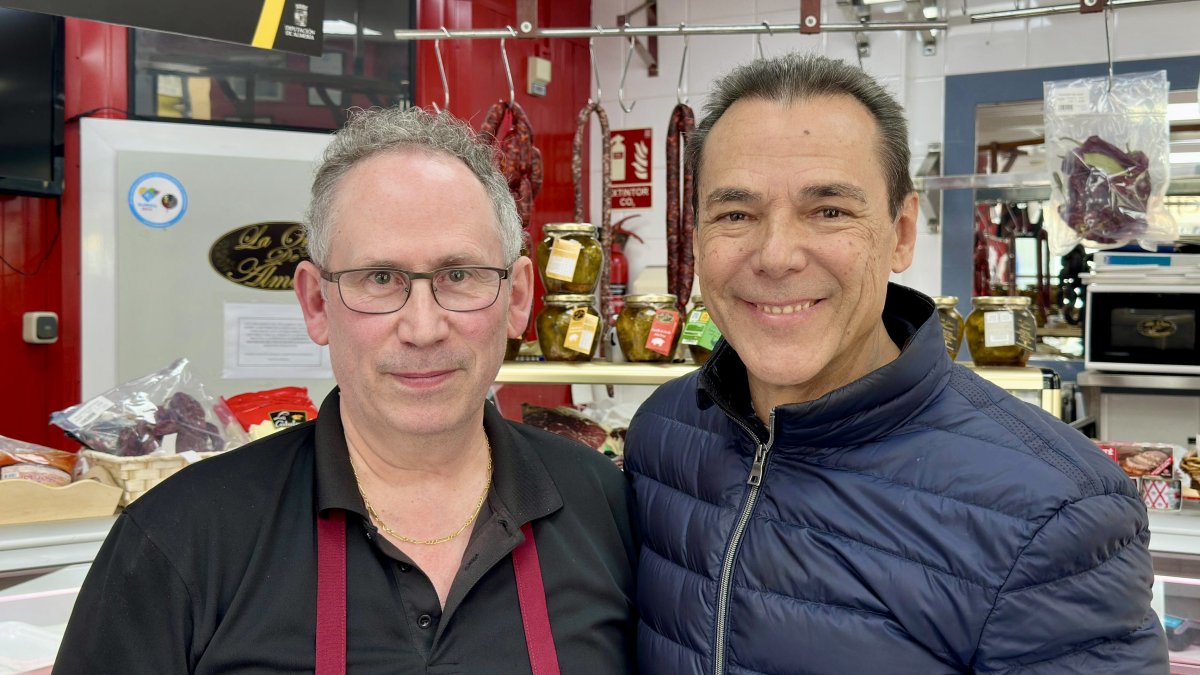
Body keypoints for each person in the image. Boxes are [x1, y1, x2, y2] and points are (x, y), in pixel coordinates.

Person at [625, 53, 1167, 674]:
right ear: (697, 236)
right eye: (735, 214)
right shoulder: (663, 434)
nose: (775, 257)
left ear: (902, 232)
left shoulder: (1053, 511)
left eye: (829, 210)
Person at [55, 108, 638, 673]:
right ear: (315, 304)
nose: (423, 327)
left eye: (459, 276)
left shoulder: (607, 509)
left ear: (516, 299)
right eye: (379, 279)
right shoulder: (178, 538)